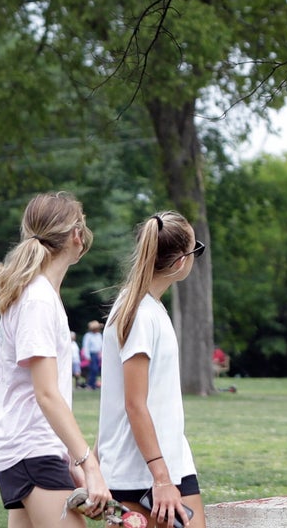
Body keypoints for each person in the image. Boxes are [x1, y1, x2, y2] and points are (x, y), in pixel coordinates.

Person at [0, 192, 112, 527]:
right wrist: (89, 465)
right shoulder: (38, 299)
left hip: (28, 452)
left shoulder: (37, 294)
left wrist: (68, 458)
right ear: (76, 236)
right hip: (33, 453)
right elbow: (46, 394)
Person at [99, 212, 206, 528]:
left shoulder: (150, 309)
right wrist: (160, 478)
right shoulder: (140, 315)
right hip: (140, 471)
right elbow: (132, 403)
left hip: (171, 458)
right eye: (195, 251)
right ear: (178, 263)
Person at [82, 320, 104, 390]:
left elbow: (101, 345)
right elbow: (86, 346)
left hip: (98, 354)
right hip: (92, 354)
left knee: (96, 370)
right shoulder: (88, 336)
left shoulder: (99, 335)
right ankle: (90, 384)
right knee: (93, 369)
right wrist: (87, 356)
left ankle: (93, 383)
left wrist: (101, 353)